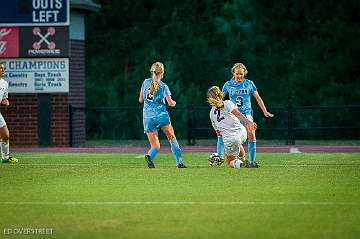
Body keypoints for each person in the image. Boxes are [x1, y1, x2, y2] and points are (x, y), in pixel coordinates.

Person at [221, 63, 274, 167]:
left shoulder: (249, 83)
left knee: (251, 132)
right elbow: (220, 100)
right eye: (237, 74)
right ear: (233, 73)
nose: (239, 76)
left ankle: (252, 161)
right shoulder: (228, 85)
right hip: (234, 116)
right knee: (236, 139)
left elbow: (258, 98)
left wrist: (264, 110)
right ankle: (237, 158)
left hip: (247, 113)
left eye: (241, 73)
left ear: (244, 73)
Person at [138, 62, 186, 168]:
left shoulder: (145, 82)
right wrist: (174, 102)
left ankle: (150, 156)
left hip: (147, 118)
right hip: (161, 116)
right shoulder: (163, 86)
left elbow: (140, 100)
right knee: (172, 138)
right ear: (162, 72)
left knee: (155, 146)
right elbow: (170, 103)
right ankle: (180, 162)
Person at [208, 86, 257, 168]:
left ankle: (242, 164)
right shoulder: (228, 103)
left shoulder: (211, 113)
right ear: (220, 94)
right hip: (242, 132)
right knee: (238, 143)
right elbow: (237, 114)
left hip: (230, 139)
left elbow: (218, 133)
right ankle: (244, 160)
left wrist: (223, 150)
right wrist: (249, 122)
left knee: (230, 161)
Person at [0, 63, 18, 164]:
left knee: (5, 135)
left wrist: (6, 102)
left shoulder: (4, 83)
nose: (3, 70)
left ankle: (5, 158)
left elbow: (4, 99)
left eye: (3, 68)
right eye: (0, 68)